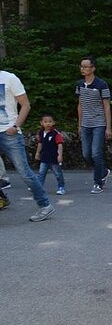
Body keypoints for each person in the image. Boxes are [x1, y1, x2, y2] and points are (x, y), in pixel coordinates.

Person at [0, 69, 55, 221]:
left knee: (24, 171)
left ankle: (45, 205)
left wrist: (16, 126)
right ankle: (2, 198)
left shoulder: (9, 78)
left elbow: (25, 105)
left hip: (9, 133)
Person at [77, 56, 111, 194]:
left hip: (99, 122)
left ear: (93, 68)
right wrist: (79, 124)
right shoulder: (79, 84)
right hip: (85, 123)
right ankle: (103, 171)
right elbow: (80, 105)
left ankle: (98, 183)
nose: (83, 69)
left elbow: (107, 107)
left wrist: (108, 127)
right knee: (86, 154)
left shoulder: (101, 84)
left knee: (96, 153)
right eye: (81, 66)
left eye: (86, 66)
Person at [35, 113, 66, 195]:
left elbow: (60, 144)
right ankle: (38, 188)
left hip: (54, 158)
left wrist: (60, 155)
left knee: (58, 174)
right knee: (41, 173)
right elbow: (40, 143)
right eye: (45, 122)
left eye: (50, 121)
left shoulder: (56, 133)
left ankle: (61, 187)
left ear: (53, 123)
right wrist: (37, 153)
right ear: (41, 123)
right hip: (44, 157)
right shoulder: (41, 133)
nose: (48, 123)